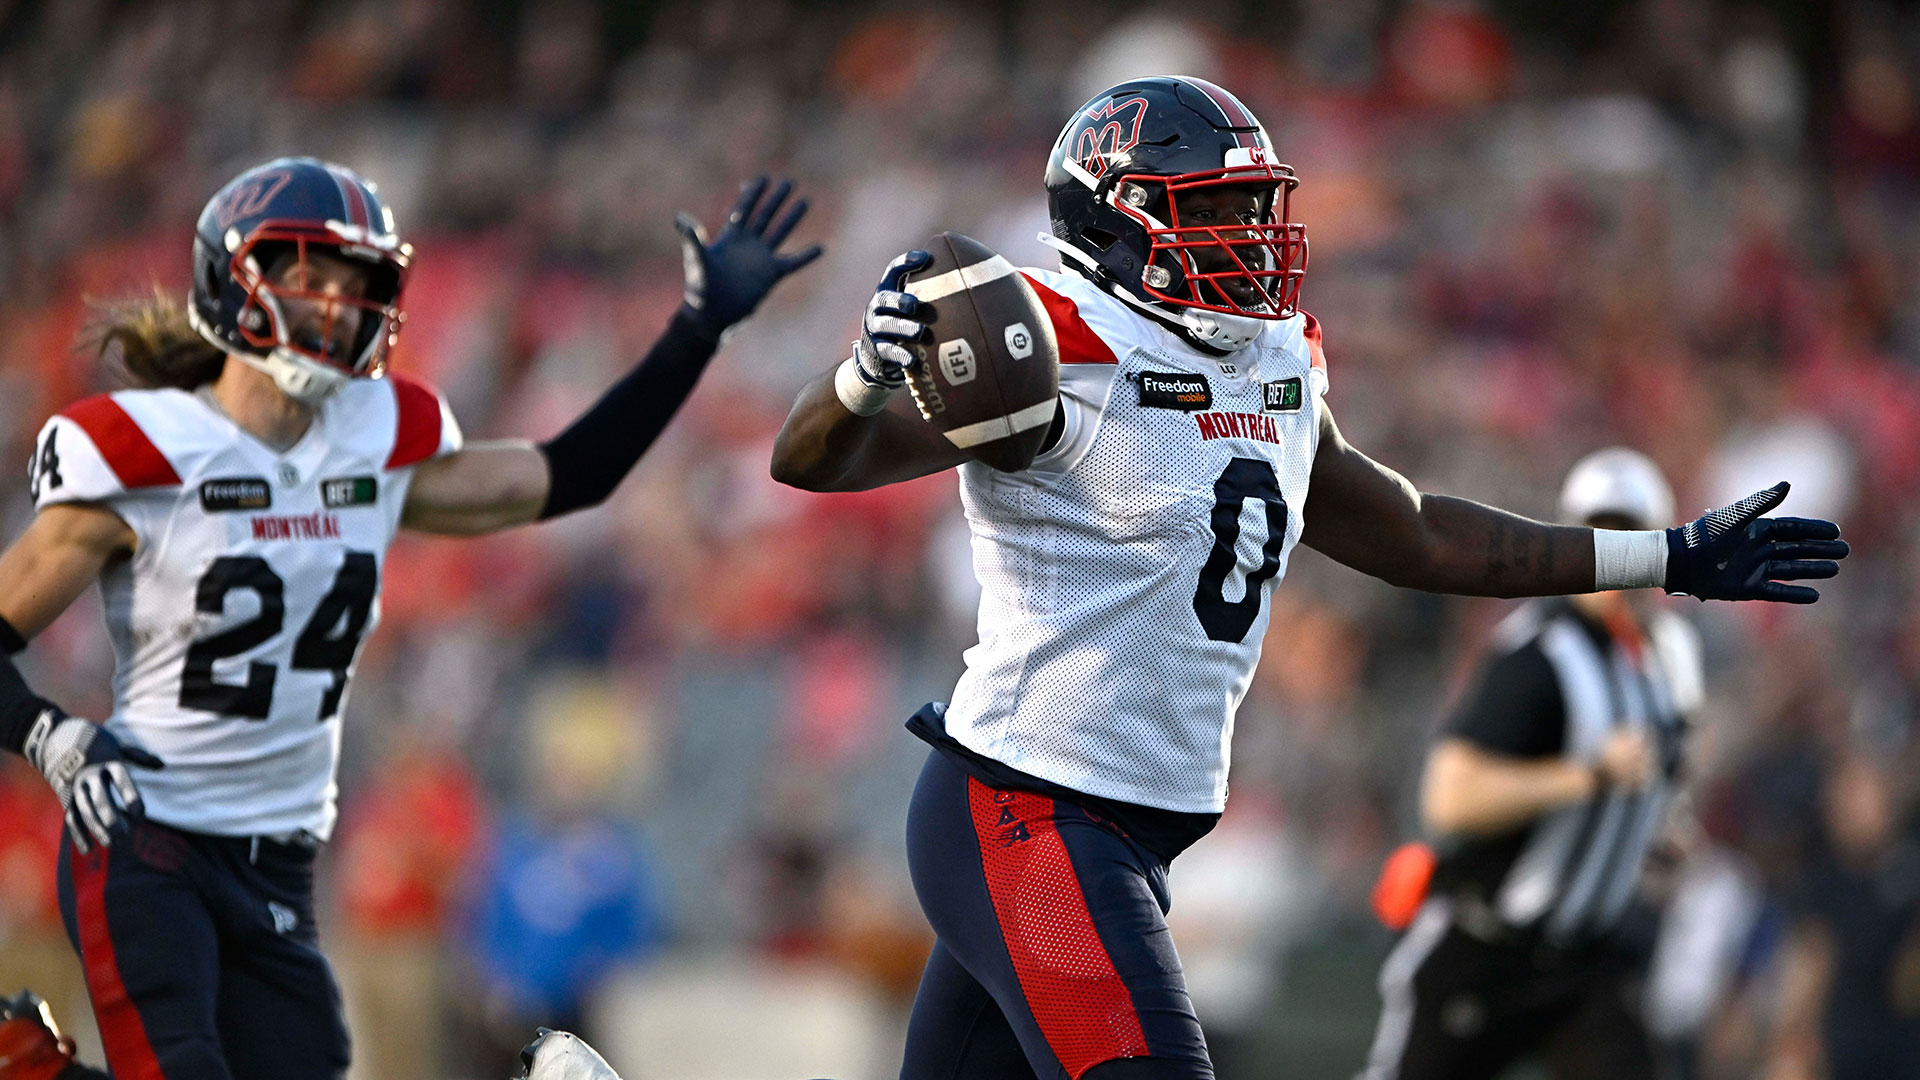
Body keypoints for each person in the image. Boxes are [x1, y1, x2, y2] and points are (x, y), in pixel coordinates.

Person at [765, 76, 1850, 1080]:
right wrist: (864, 373)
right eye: (1212, 212)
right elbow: (815, 461)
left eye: (1252, 209)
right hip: (1025, 809)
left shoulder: (1275, 358)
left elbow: (1419, 534)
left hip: (1126, 826)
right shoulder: (1051, 339)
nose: (1249, 238)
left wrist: (1663, 556)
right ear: (1118, 224)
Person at [0, 158, 819, 1080]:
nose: (341, 306)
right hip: (147, 837)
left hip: (271, 862)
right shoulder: (143, 450)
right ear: (234, 279)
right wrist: (49, 736)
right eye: (316, 276)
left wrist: (696, 330)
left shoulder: (374, 446)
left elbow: (569, 474)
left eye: (361, 284)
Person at [1358, 448, 1700, 1080]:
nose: (1615, 551)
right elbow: (1449, 796)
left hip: (1586, 960)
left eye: (1631, 534)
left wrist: (1652, 831)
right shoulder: (1540, 652)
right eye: (1600, 532)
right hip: (1488, 947)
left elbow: (1668, 775)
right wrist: (1588, 775)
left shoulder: (1673, 656)